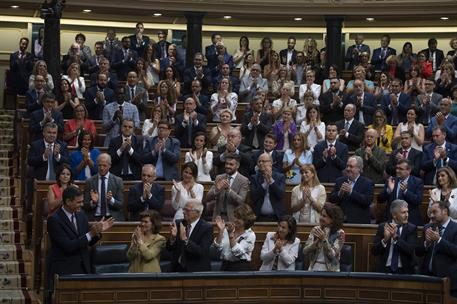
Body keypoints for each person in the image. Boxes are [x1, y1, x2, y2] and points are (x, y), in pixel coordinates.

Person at [46, 186, 114, 302]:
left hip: (84, 268)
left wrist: (97, 232)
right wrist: (91, 234)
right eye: (78, 202)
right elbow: (68, 246)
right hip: (65, 270)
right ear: (68, 201)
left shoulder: (81, 215)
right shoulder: (54, 220)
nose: (81, 205)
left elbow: (88, 240)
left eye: (82, 201)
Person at [416, 200, 457, 296]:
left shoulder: (455, 228)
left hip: (448, 281)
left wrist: (439, 240)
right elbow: (418, 252)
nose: (431, 215)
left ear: (445, 211)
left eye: (435, 212)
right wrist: (427, 243)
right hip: (427, 278)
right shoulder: (427, 227)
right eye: (430, 212)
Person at [371, 199, 418, 274]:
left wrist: (395, 237)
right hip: (385, 270)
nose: (407, 215)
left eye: (407, 211)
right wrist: (385, 240)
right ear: (394, 215)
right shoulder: (383, 226)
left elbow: (410, 250)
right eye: (403, 212)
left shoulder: (411, 228)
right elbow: (374, 251)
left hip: (404, 271)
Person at [166, 199, 213, 272]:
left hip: (196, 271)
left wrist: (185, 240)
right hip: (177, 268)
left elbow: (201, 251)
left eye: (187, 210)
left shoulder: (206, 228)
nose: (184, 212)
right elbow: (169, 248)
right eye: (184, 209)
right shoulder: (179, 224)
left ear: (198, 213)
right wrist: (172, 238)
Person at [329, 156, 375, 224]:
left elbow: (367, 201)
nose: (348, 169)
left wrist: (351, 192)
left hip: (359, 222)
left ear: (359, 168)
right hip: (341, 221)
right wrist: (339, 193)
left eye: (351, 166)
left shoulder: (368, 183)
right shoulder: (340, 181)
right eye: (347, 166)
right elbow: (331, 199)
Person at [379, 159, 423, 226]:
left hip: (410, 221)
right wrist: (388, 190)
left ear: (409, 170)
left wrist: (406, 191)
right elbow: (380, 199)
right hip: (392, 220)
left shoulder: (417, 182)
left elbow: (418, 200)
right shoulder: (391, 180)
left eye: (401, 169)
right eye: (397, 168)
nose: (397, 171)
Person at [206, 153, 249, 221]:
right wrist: (216, 190)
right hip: (217, 217)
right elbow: (208, 197)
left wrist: (229, 190)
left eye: (231, 164)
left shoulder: (243, 180)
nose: (228, 166)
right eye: (226, 163)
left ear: (237, 166)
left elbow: (241, 201)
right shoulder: (219, 177)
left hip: (233, 218)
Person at [303, 203, 345, 272]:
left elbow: (332, 255)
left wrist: (324, 240)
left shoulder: (340, 233)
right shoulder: (315, 229)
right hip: (313, 268)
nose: (321, 218)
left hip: (331, 270)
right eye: (321, 215)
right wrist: (316, 242)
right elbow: (305, 251)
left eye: (324, 216)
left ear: (332, 219)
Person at [214, 204, 257, 271]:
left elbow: (237, 252)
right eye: (235, 216)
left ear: (246, 220)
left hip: (241, 267)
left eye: (239, 218)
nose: (235, 219)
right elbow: (217, 247)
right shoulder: (228, 229)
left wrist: (231, 235)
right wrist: (221, 231)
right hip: (225, 265)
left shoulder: (250, 235)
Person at [83, 153, 125, 221]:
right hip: (95, 218)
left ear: (110, 165)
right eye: (99, 165)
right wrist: (93, 202)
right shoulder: (89, 182)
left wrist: (111, 200)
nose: (101, 168)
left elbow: (120, 205)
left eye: (104, 165)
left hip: (112, 217)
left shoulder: (118, 181)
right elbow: (85, 205)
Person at [250, 152, 287, 221]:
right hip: (259, 217)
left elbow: (281, 195)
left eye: (263, 161)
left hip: (277, 216)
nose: (261, 163)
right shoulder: (254, 178)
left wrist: (271, 181)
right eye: (259, 162)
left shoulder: (280, 177)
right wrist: (265, 184)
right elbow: (253, 196)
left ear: (271, 163)